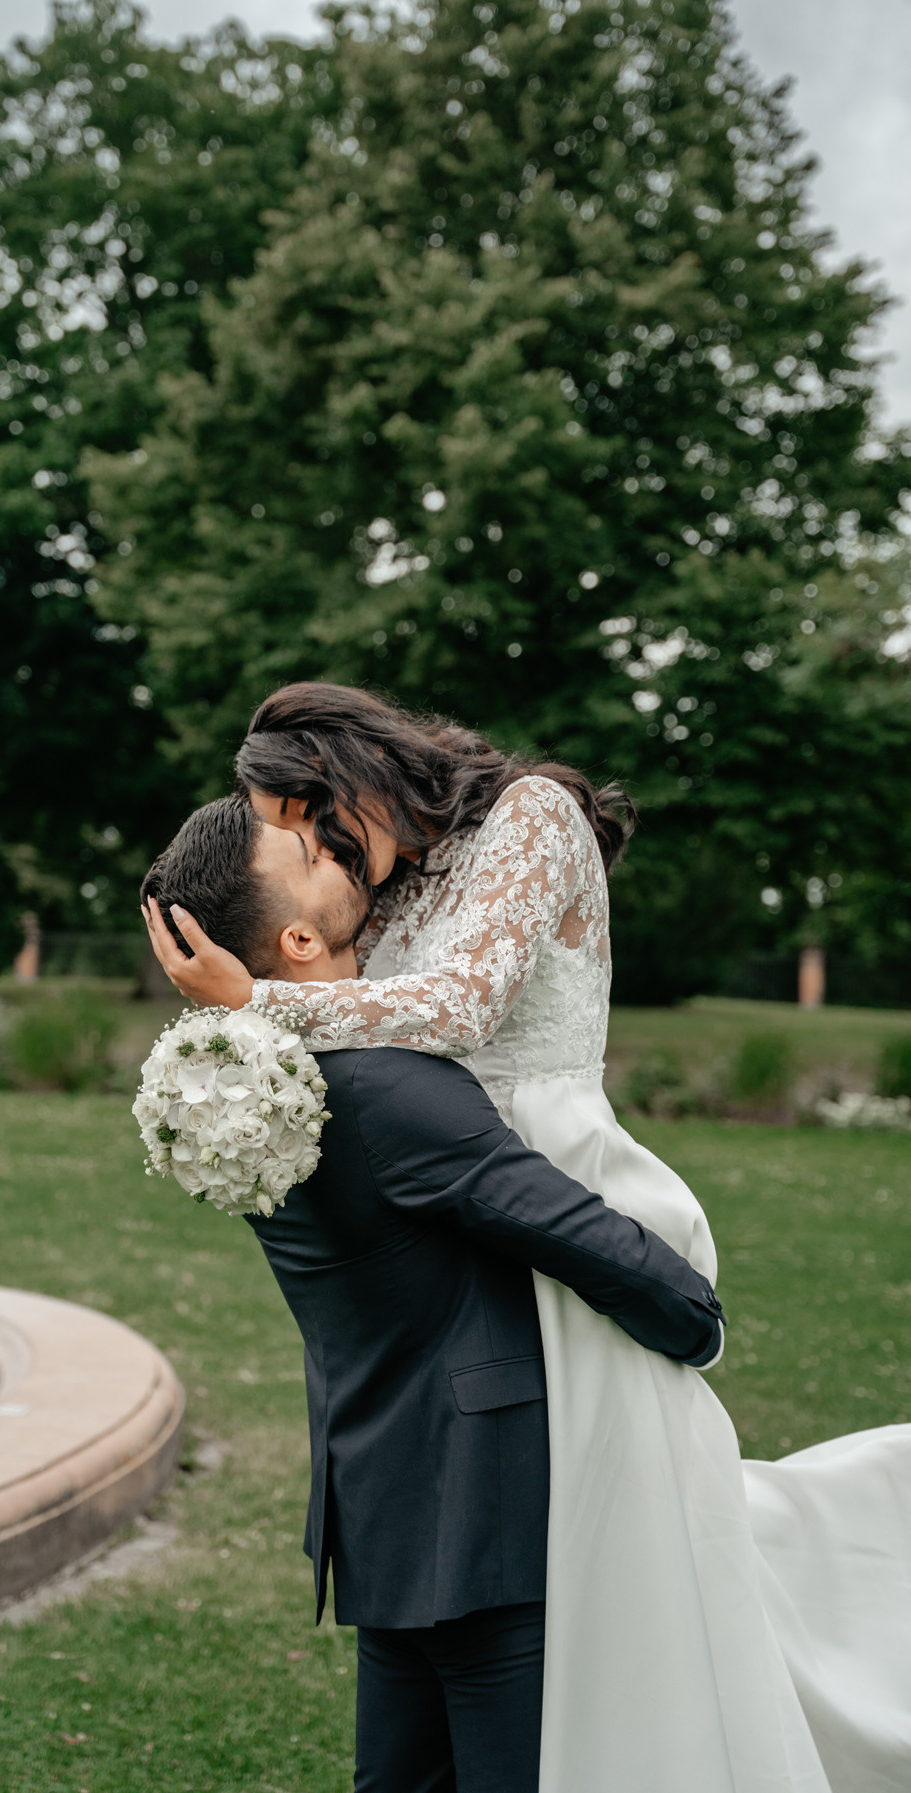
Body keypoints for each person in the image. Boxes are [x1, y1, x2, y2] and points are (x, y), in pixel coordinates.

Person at [144, 684, 911, 1793]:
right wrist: (255, 1000)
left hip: (550, 1173)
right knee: (606, 1565)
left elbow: (454, 1012)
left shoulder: (530, 817)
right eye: (293, 844)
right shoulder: (371, 920)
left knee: (641, 1537)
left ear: (342, 776)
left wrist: (251, 998)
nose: (315, 852)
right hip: (463, 1216)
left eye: (302, 825)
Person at [141, 797, 725, 1793]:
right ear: (294, 934)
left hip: (379, 1490)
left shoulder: (236, 1083)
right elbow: (568, 1228)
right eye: (307, 852)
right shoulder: (389, 1089)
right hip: (484, 1504)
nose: (334, 849)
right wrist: (692, 1318)